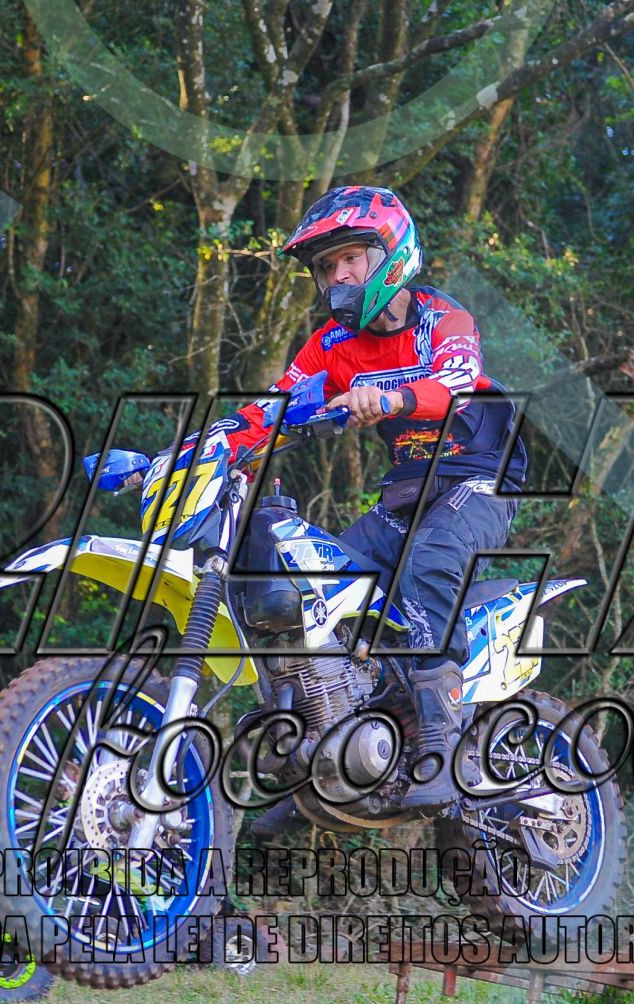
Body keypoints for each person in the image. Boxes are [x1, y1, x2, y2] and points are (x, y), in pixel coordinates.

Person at [211, 185, 525, 813]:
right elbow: (271, 408)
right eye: (327, 266)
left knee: (428, 564)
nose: (338, 275)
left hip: (477, 477)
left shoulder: (443, 319)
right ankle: (321, 751)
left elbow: (457, 381)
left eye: (350, 257)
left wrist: (390, 397)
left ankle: (443, 742)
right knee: (321, 586)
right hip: (408, 491)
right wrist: (197, 450)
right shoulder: (331, 344)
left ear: (390, 253)